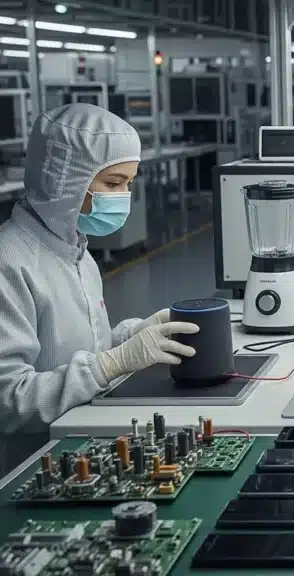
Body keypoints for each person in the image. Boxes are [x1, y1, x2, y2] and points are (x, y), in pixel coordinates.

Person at [0, 104, 200, 475]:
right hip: (26, 469)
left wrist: (129, 337)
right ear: (65, 182)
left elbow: (76, 352)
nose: (123, 196)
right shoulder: (10, 263)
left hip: (78, 451)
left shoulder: (75, 251)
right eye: (113, 183)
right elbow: (9, 403)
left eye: (128, 183)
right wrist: (113, 363)